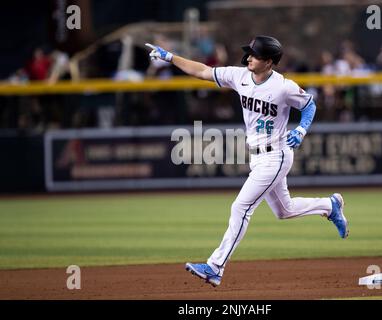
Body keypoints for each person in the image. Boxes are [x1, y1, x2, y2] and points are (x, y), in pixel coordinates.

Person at [145, 35, 349, 287]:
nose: (249, 57)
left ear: (270, 62)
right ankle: (330, 206)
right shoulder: (239, 75)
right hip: (258, 155)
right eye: (250, 53)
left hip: (276, 155)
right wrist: (170, 57)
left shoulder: (283, 87)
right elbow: (203, 71)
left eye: (256, 54)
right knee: (283, 211)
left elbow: (309, 105)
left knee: (240, 208)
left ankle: (214, 267)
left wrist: (301, 129)